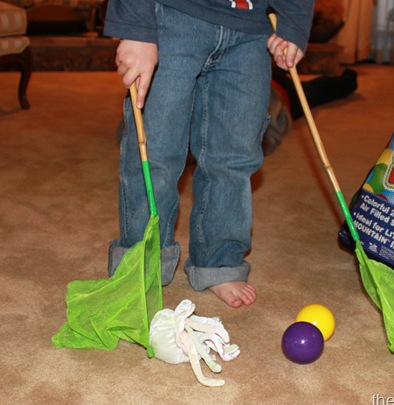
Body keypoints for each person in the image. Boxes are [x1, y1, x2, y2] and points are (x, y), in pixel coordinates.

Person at [104, 1, 314, 308]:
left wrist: (293, 25)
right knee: (156, 151)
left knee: (234, 155)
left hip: (250, 31)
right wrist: (136, 26)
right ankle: (143, 260)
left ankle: (219, 261)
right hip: (172, 16)